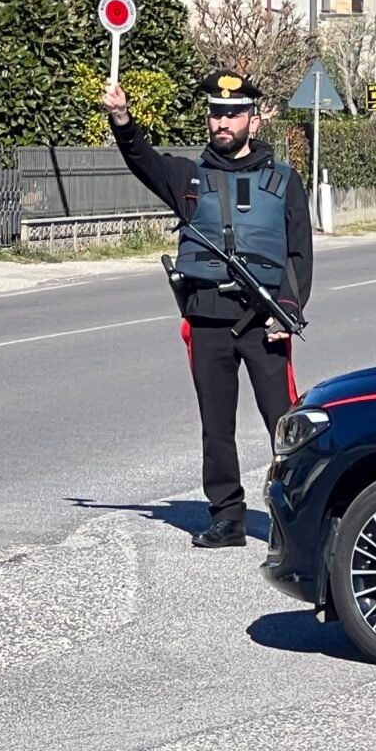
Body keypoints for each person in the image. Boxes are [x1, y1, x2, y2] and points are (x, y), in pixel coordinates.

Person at [103, 69, 313, 549]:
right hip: (207, 320)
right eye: (217, 113)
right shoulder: (187, 176)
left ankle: (298, 518)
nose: (223, 122)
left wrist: (286, 312)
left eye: (234, 114)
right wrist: (122, 119)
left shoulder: (284, 180)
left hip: (264, 324)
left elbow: (299, 256)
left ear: (253, 122)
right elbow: (142, 160)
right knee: (216, 427)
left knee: (286, 426)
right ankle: (227, 518)